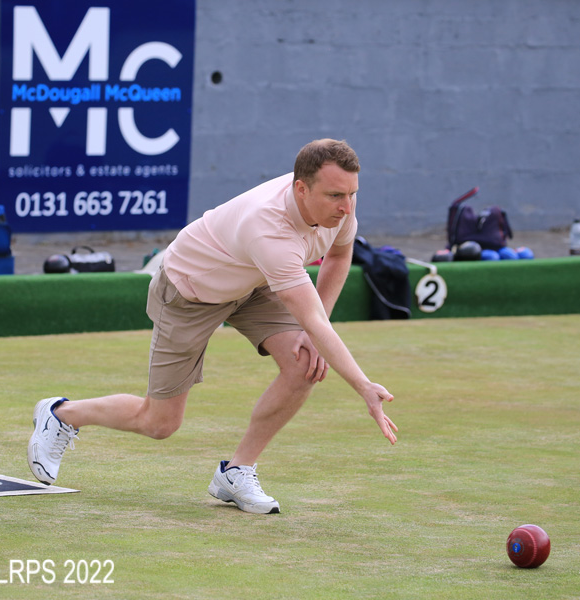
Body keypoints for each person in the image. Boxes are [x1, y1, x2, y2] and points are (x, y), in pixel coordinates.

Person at [28, 138, 397, 514]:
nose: (347, 207)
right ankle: (61, 414)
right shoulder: (268, 229)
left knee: (305, 364)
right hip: (190, 291)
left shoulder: (338, 204)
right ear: (301, 188)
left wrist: (315, 334)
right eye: (337, 195)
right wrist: (363, 386)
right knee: (160, 423)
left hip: (254, 282)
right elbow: (313, 320)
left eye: (352, 194)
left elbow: (338, 253)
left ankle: (237, 472)